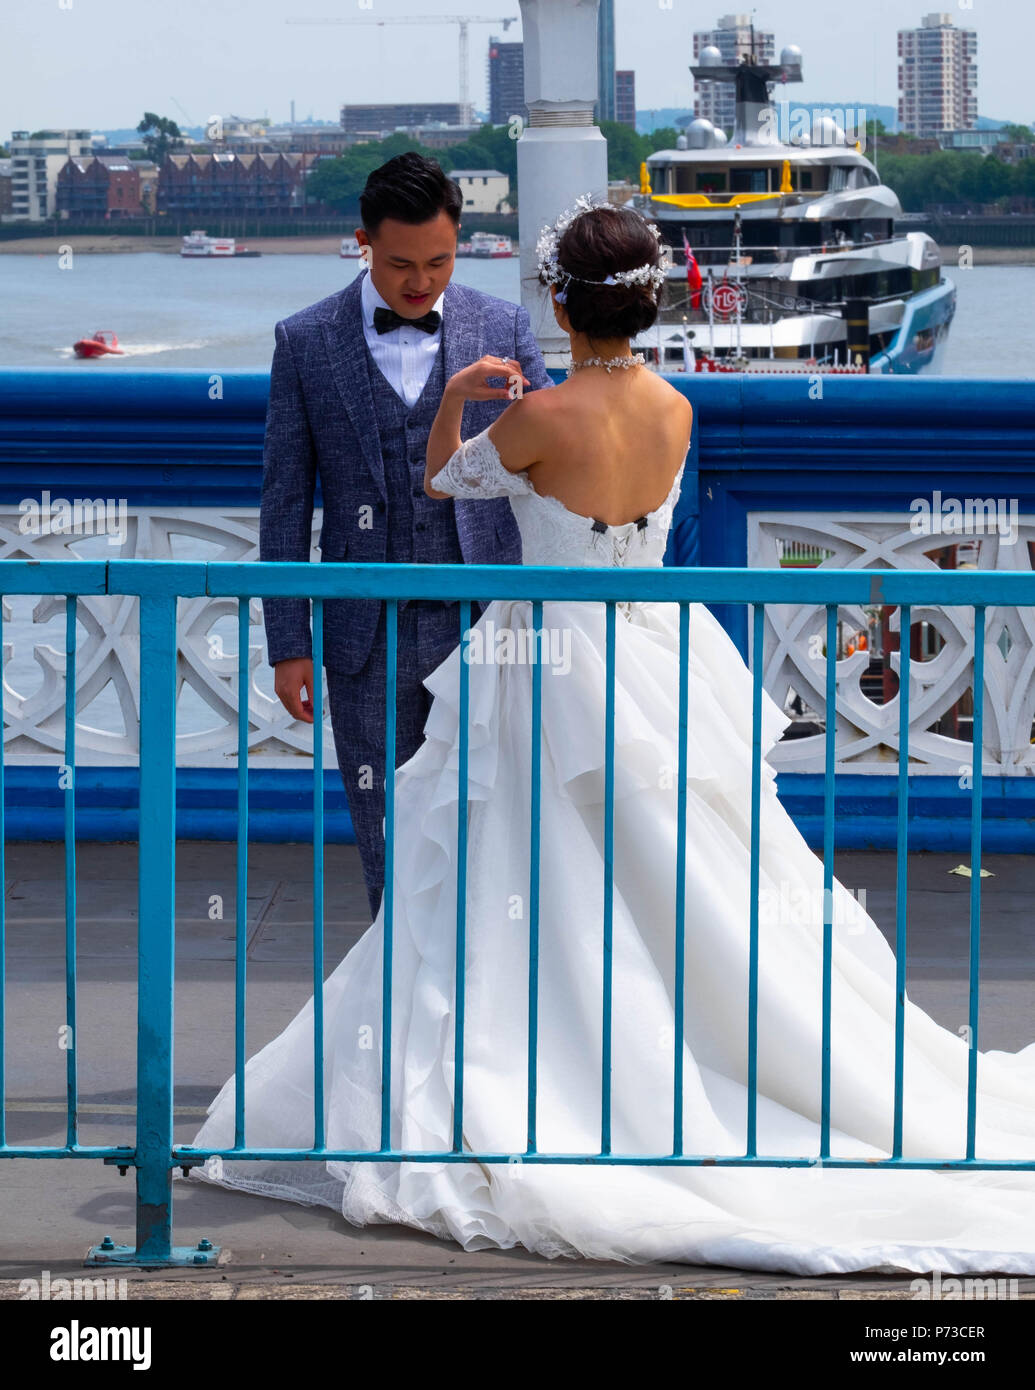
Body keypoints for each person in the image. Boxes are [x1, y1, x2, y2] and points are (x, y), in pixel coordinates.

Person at [187, 199, 1035, 1276]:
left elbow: (443, 481)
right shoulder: (677, 408)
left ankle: (560, 1074)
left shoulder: (539, 419)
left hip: (545, 663)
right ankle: (674, 1070)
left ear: (559, 301)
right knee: (685, 884)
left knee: (530, 884)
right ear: (648, 301)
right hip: (656, 657)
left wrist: (453, 398)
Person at [259, 152, 551, 920]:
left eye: (439, 262)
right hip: (364, 635)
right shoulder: (305, 340)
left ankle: (482, 1015)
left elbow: (556, 453)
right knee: (386, 838)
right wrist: (289, 642)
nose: (420, 283)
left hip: (490, 626)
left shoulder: (503, 325)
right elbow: (286, 499)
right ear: (362, 243)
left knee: (493, 834)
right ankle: (397, 1017)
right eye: (399, 265)